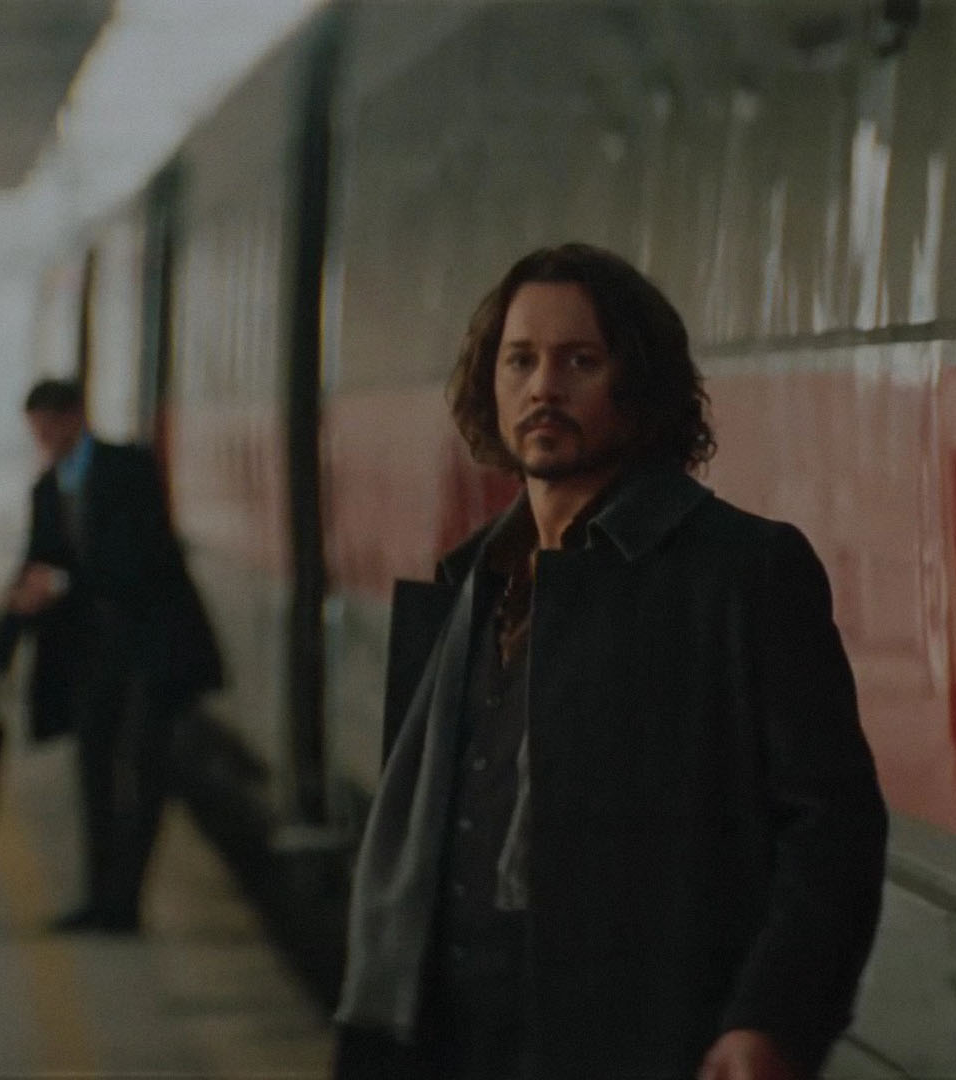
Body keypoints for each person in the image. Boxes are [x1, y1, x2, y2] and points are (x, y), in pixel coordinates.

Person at [332, 244, 888, 1080]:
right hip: (449, 1037)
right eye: (520, 360)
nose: (543, 388)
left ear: (641, 385)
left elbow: (832, 829)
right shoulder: (473, 582)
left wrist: (770, 1020)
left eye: (579, 361)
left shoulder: (740, 573)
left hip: (636, 1042)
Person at [0, 379, 222, 934]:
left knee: (144, 775)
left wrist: (62, 584)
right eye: (37, 434)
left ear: (74, 418)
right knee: (93, 774)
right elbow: (33, 569)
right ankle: (99, 899)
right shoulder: (47, 489)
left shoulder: (130, 468)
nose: (44, 442)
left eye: (49, 430)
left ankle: (125, 903)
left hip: (153, 649)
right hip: (92, 656)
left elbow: (142, 554)